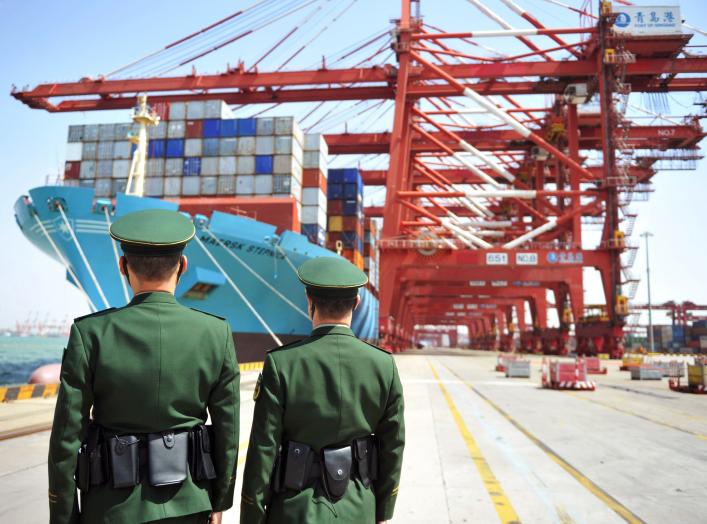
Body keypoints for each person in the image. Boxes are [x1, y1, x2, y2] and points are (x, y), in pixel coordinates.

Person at [47, 209, 240, 524]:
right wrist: (218, 501)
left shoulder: (90, 333)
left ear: (123, 266)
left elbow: (66, 439)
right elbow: (228, 432)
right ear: (183, 266)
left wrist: (65, 515)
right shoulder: (216, 333)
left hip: (111, 509)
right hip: (190, 504)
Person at [240, 256, 405, 524]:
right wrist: (383, 511)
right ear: (357, 303)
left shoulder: (282, 363)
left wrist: (252, 516)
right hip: (360, 510)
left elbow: (263, 451)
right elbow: (393, 447)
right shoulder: (383, 365)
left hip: (294, 511)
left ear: (309, 301)